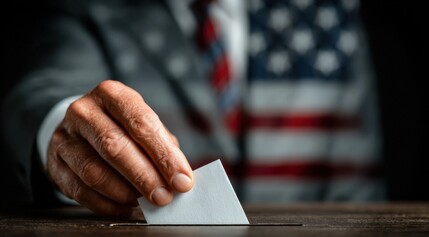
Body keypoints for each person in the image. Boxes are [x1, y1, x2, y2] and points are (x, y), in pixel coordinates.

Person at [0, 0, 393, 217]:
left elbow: (357, 186)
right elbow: (43, 88)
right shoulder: (92, 9)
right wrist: (64, 134)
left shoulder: (329, 15)